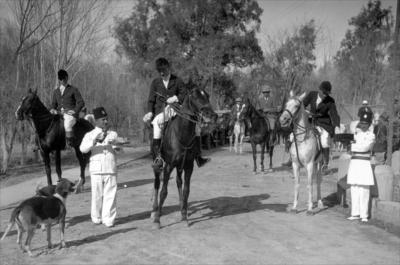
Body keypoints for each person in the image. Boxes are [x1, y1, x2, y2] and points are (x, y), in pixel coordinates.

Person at [142, 58, 210, 172]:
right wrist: (149, 112)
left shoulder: (177, 80)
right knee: (157, 124)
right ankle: (158, 157)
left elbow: (184, 94)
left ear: (168, 68)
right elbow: (151, 100)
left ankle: (198, 156)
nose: (163, 74)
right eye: (160, 73)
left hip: (176, 109)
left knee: (196, 126)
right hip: (161, 111)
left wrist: (176, 98)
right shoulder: (155, 82)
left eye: (164, 71)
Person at [80, 107, 118, 227]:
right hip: (96, 169)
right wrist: (94, 141)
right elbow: (82, 149)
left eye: (106, 119)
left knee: (110, 195)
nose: (105, 122)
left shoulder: (113, 134)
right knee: (96, 195)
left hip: (110, 168)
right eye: (103, 119)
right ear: (96, 121)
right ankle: (96, 217)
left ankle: (108, 219)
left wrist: (117, 145)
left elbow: (120, 150)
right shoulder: (90, 134)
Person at [302, 81, 340, 172]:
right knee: (295, 134)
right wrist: (306, 112)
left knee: (324, 141)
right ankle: (292, 158)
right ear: (319, 90)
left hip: (323, 123)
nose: (325, 96)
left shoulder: (330, 101)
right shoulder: (312, 94)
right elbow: (302, 105)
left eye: (327, 94)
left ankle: (325, 164)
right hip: (310, 121)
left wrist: (337, 126)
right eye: (323, 93)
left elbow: (334, 114)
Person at [347, 109, 375, 223]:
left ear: (369, 124)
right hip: (354, 162)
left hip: (364, 163)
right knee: (354, 188)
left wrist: (353, 147)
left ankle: (364, 214)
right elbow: (351, 147)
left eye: (365, 123)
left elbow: (365, 148)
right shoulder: (355, 134)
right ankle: (355, 213)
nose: (363, 125)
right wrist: (350, 146)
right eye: (362, 123)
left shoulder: (371, 135)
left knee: (364, 189)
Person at [50, 69, 85, 147]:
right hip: (59, 113)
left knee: (67, 124)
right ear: (59, 79)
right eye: (60, 79)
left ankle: (69, 143)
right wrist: (52, 109)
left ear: (66, 78)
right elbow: (53, 104)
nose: (62, 81)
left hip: (70, 115)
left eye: (63, 79)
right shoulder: (56, 91)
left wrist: (75, 111)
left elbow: (81, 102)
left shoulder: (73, 89)